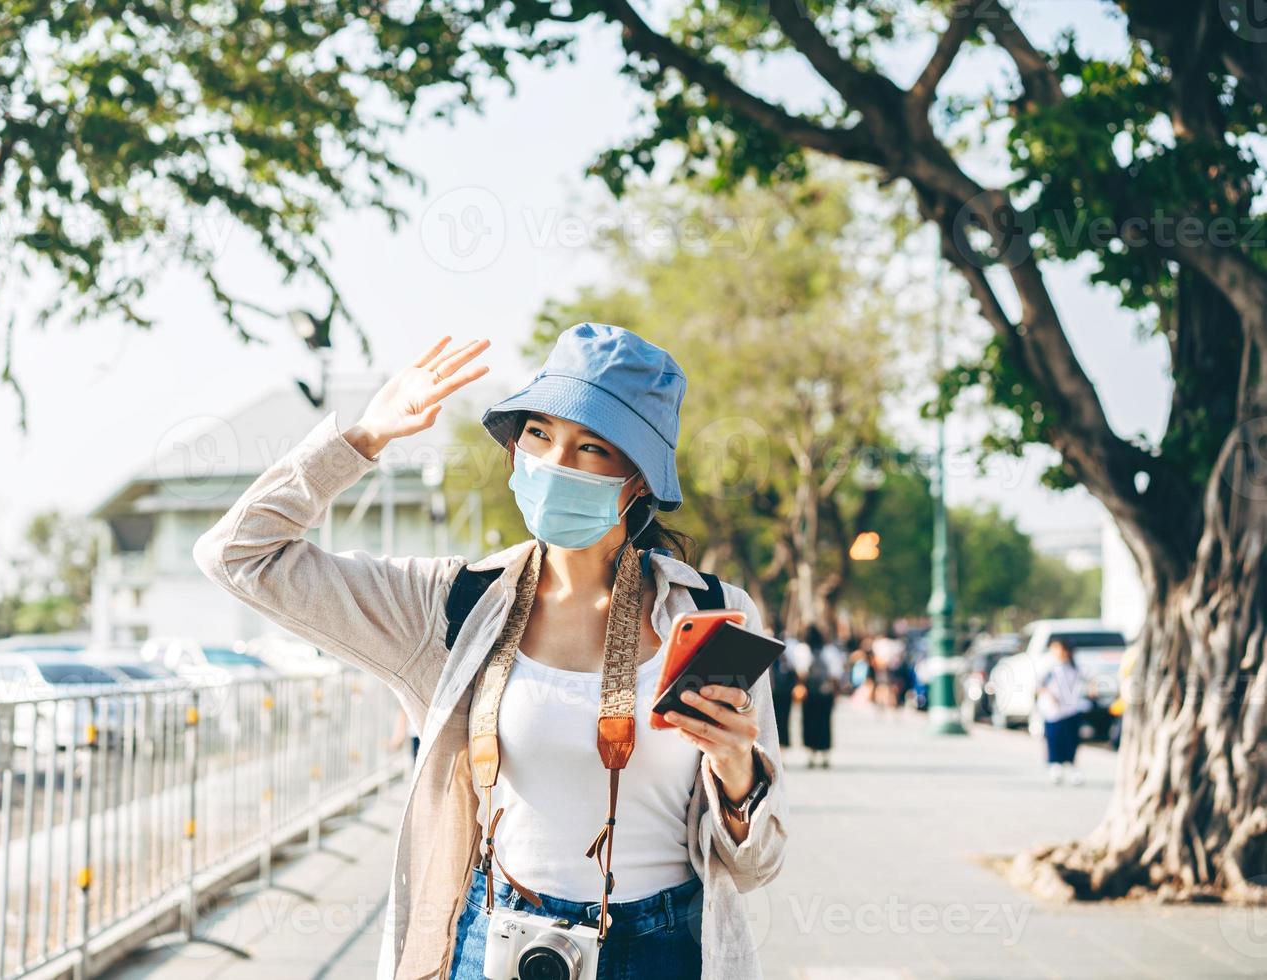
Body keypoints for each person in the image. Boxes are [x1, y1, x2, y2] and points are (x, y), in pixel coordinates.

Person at [193, 325, 789, 980]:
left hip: (666, 949)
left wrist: (737, 767)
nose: (557, 462)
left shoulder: (708, 613)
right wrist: (363, 440)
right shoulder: (449, 605)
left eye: (591, 446)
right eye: (538, 434)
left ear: (639, 478)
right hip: (499, 941)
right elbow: (236, 556)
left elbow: (755, 865)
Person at [1037, 636, 1086, 785]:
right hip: (1053, 712)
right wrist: (1050, 695)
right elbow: (1038, 685)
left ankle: (1071, 767)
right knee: (1054, 739)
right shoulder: (1048, 666)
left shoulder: (1075, 668)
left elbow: (1086, 682)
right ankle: (1055, 767)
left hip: (1071, 710)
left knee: (1071, 740)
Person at [795, 624, 843, 768]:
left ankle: (811, 754)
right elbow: (835, 674)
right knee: (825, 723)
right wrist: (836, 693)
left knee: (809, 722)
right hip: (825, 693)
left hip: (809, 693)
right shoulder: (830, 651)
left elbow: (800, 672)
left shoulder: (802, 650)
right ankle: (825, 755)